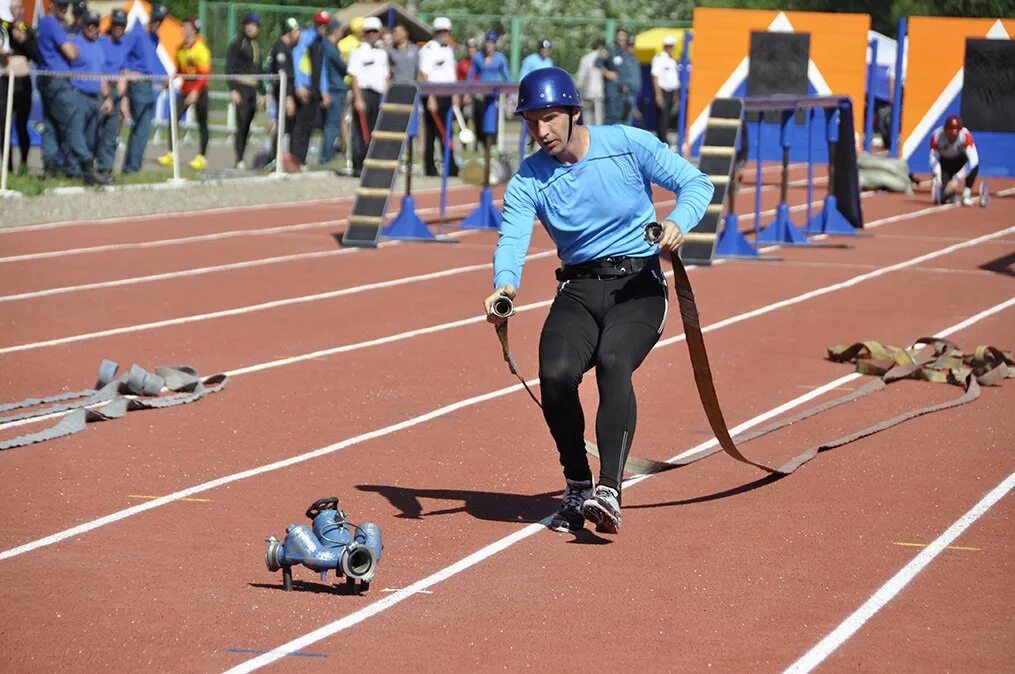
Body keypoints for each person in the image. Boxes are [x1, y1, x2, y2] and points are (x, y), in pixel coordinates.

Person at [483, 68, 713, 534]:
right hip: (579, 288)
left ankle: (609, 489)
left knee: (613, 363)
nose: (541, 131)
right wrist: (505, 284)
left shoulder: (627, 142)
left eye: (549, 118)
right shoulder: (529, 178)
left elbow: (697, 184)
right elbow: (512, 238)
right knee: (555, 374)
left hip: (638, 286)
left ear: (574, 112)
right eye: (531, 121)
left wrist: (677, 222)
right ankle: (577, 482)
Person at [121, 2, 167, 175]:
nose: (158, 23)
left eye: (161, 21)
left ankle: (132, 166)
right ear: (151, 16)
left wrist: (162, 76)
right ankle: (131, 167)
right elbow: (122, 53)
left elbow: (152, 61)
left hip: (148, 84)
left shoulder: (155, 38)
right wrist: (127, 72)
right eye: (156, 19)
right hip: (136, 84)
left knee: (143, 128)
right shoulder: (137, 33)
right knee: (141, 127)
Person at [159, 16, 210, 171]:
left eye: (187, 27)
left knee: (202, 123)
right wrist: (171, 78)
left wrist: (195, 91)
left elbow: (204, 74)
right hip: (185, 89)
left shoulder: (201, 49)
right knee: (173, 118)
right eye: (183, 26)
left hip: (200, 89)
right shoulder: (180, 49)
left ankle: (202, 156)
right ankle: (171, 153)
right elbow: (179, 69)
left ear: (194, 31)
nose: (183, 29)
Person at [66, 10, 108, 177]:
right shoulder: (74, 42)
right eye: (88, 24)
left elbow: (102, 74)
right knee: (76, 133)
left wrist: (107, 97)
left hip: (95, 97)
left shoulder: (100, 46)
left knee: (91, 137)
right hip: (78, 94)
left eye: (95, 25)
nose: (91, 27)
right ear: (83, 25)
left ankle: (86, 171)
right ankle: (71, 169)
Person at [346, 15, 388, 177]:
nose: (372, 35)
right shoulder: (358, 52)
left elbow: (385, 77)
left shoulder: (382, 53)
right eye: (369, 31)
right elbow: (354, 76)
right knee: (360, 131)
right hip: (363, 93)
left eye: (374, 32)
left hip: (378, 94)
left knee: (374, 129)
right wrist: (358, 98)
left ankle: (372, 162)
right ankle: (358, 164)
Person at [290, 10, 332, 168]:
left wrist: (324, 90)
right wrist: (299, 85)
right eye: (321, 25)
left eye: (326, 25)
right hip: (305, 87)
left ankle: (302, 158)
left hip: (315, 89)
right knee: (300, 125)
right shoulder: (306, 38)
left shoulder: (322, 42)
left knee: (309, 125)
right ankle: (295, 158)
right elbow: (297, 60)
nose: (323, 28)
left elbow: (322, 68)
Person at [418, 16, 458, 177]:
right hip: (434, 94)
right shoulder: (428, 49)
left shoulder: (449, 50)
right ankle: (430, 167)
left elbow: (451, 73)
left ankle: (450, 166)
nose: (444, 34)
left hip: (447, 94)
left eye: (446, 31)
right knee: (432, 132)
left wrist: (455, 94)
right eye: (441, 31)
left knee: (447, 132)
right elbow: (423, 74)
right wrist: (431, 97)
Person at [0, 0, 37, 176]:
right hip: (4, 83)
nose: (14, 12)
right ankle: (7, 166)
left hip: (23, 85)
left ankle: (23, 164)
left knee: (21, 125)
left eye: (17, 8)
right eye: (11, 9)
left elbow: (36, 55)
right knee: (3, 126)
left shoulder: (27, 31)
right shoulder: (3, 30)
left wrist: (23, 40)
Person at [94, 8, 130, 179]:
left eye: (121, 25)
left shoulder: (123, 46)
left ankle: (105, 168)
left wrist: (121, 100)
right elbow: (99, 70)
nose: (118, 28)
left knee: (111, 133)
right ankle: (88, 166)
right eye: (116, 24)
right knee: (94, 130)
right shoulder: (101, 42)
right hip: (100, 88)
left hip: (115, 91)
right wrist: (106, 96)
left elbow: (123, 73)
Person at [225, 11, 262, 170]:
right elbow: (229, 68)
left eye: (254, 25)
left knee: (247, 124)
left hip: (252, 90)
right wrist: (233, 89)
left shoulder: (256, 46)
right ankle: (239, 158)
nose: (250, 28)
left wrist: (262, 92)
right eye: (248, 24)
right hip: (240, 87)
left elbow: (259, 70)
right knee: (241, 122)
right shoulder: (236, 44)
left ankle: (242, 154)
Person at [468, 31, 509, 147]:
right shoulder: (478, 57)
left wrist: (507, 92)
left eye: (491, 43)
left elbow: (506, 76)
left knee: (493, 119)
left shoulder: (500, 58)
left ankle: (492, 144)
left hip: (495, 95)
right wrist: (470, 91)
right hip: (480, 95)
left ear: (495, 45)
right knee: (479, 119)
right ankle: (480, 143)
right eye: (487, 42)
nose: (488, 45)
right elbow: (471, 75)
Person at [267, 16, 299, 162]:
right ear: (289, 31)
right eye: (296, 31)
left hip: (286, 93)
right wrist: (287, 97)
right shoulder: (280, 48)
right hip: (281, 94)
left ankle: (280, 156)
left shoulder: (288, 48)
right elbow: (282, 76)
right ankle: (275, 157)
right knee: (280, 126)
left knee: (285, 126)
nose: (298, 35)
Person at [930, 114, 980, 206]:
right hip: (945, 164)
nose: (952, 137)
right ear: (945, 130)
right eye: (949, 133)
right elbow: (934, 158)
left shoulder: (965, 135)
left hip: (960, 162)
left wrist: (956, 179)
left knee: (974, 166)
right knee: (941, 198)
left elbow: (974, 160)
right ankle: (950, 195)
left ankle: (966, 193)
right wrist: (937, 177)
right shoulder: (936, 136)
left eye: (954, 134)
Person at [318, 18, 347, 165]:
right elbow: (343, 67)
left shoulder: (328, 46)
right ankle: (326, 157)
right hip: (334, 89)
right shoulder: (329, 48)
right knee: (333, 124)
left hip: (333, 88)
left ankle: (327, 155)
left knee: (332, 124)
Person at [600, 27, 639, 125]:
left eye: (624, 36)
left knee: (622, 117)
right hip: (612, 89)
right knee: (611, 115)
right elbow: (598, 62)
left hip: (624, 91)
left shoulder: (626, 52)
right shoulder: (609, 49)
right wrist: (607, 72)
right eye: (620, 35)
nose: (622, 38)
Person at [651, 35, 679, 145]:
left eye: (672, 46)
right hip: (663, 91)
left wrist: (675, 96)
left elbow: (674, 80)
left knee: (667, 117)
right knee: (663, 117)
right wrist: (658, 95)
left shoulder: (672, 60)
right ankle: (662, 139)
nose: (670, 48)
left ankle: (664, 138)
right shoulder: (659, 59)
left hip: (671, 92)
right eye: (668, 46)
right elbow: (655, 76)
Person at [575, 39, 605, 126]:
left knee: (587, 121)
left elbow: (580, 79)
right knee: (598, 121)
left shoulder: (585, 58)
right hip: (599, 93)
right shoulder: (603, 58)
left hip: (587, 93)